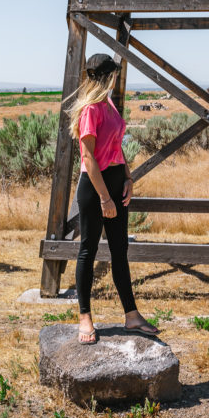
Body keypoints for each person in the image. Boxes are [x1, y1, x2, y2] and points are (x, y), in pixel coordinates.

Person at [67, 52, 159, 344]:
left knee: (120, 251)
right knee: (88, 250)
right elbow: (88, 158)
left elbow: (116, 148)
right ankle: (85, 318)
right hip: (96, 189)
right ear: (109, 76)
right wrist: (105, 198)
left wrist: (129, 178)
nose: (117, 79)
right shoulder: (91, 110)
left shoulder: (108, 105)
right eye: (115, 74)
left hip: (117, 184)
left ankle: (131, 316)